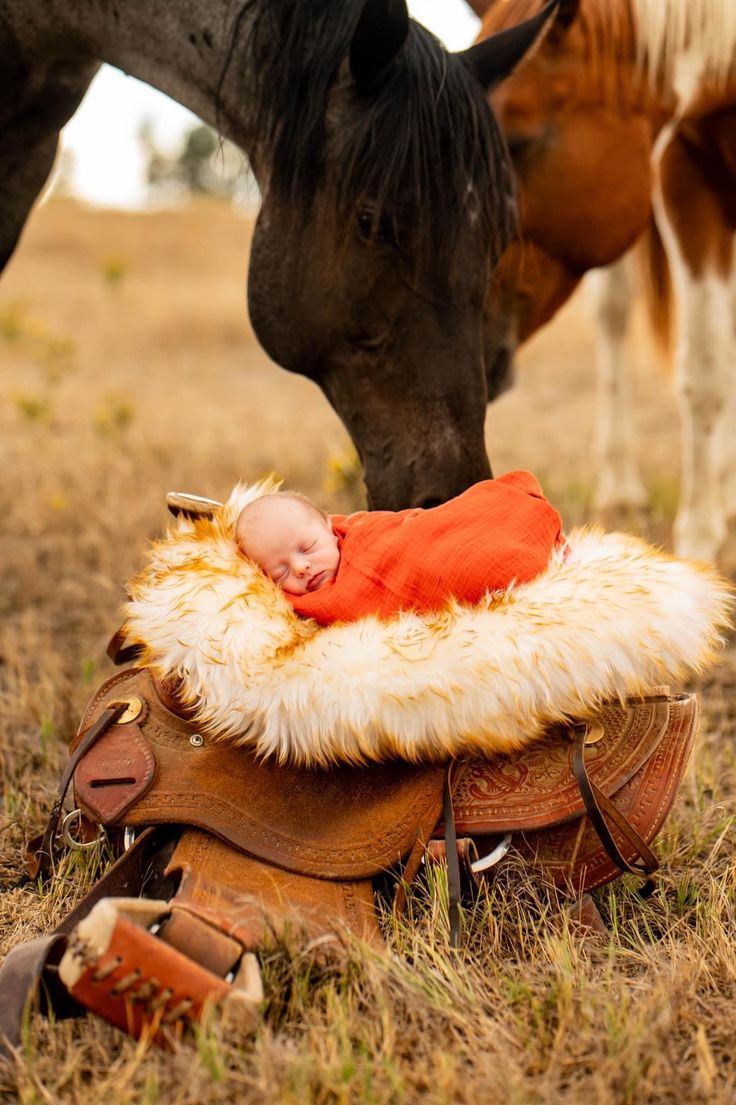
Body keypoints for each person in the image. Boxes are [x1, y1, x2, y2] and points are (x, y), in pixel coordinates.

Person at [235, 472, 565, 627]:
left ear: (329, 527)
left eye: (307, 548)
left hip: (440, 537)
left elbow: (418, 529)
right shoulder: (305, 602)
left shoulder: (365, 534)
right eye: (280, 572)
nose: (301, 568)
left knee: (474, 541)